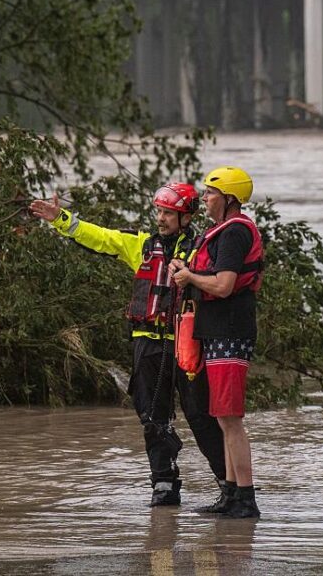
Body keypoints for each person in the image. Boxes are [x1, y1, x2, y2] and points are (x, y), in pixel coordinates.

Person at [29, 183, 226, 507]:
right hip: (148, 341)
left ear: (186, 217)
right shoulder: (142, 245)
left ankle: (228, 483)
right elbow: (98, 236)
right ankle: (163, 483)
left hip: (187, 343)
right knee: (152, 416)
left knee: (200, 415)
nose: (161, 218)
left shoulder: (201, 248)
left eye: (168, 213)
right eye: (159, 212)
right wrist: (59, 219)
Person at [171, 166, 264, 519]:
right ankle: (229, 494)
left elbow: (224, 285)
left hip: (230, 331)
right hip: (217, 331)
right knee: (221, 416)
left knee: (229, 418)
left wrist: (189, 276)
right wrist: (189, 272)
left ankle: (245, 497)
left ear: (228, 199)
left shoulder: (235, 233)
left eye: (210, 193)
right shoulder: (222, 231)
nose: (205, 199)